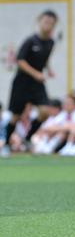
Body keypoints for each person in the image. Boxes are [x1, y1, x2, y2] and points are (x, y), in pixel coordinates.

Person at [2, 10, 58, 157]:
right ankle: (6, 145)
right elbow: (20, 61)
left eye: (51, 23)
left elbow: (45, 59)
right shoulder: (30, 41)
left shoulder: (51, 42)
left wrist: (49, 69)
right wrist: (36, 74)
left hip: (37, 84)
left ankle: (27, 138)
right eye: (45, 22)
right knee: (15, 116)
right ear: (39, 21)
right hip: (22, 82)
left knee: (45, 111)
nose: (48, 25)